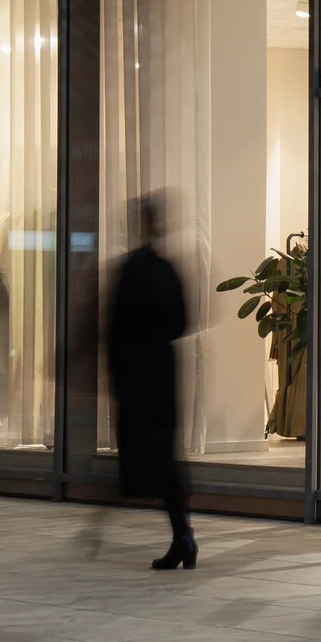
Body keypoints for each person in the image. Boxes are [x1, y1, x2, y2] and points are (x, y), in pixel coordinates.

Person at [106, 194, 196, 569]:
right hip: (162, 366)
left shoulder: (132, 269)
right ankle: (183, 535)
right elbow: (183, 321)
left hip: (137, 369)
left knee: (150, 454)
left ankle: (183, 537)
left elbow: (113, 327)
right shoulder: (167, 269)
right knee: (165, 454)